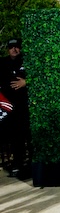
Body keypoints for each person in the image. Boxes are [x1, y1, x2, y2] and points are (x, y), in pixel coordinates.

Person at [1, 38, 30, 176]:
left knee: (28, 136)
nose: (14, 49)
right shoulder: (2, 63)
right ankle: (17, 165)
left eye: (17, 47)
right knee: (14, 137)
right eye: (12, 47)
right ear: (8, 49)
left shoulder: (27, 61)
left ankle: (31, 164)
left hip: (26, 105)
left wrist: (26, 82)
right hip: (9, 107)